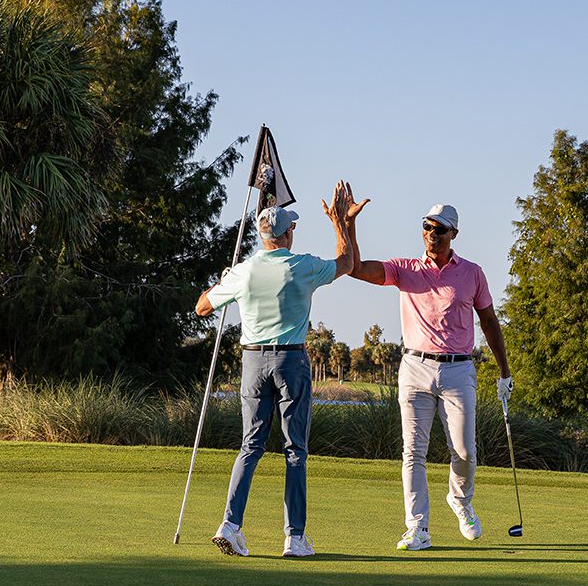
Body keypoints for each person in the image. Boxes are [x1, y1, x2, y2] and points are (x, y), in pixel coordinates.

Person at [343, 193, 511, 550]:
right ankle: (417, 527)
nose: (432, 234)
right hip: (415, 368)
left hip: (458, 369)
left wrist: (504, 372)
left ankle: (460, 501)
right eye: (427, 227)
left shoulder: (472, 273)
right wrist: (349, 224)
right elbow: (355, 268)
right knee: (412, 452)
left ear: (453, 234)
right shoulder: (404, 268)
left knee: (464, 452)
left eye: (440, 229)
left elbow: (489, 321)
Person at [196, 183, 355, 558]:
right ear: (287, 233)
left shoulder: (244, 271)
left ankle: (230, 525)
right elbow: (346, 262)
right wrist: (339, 222)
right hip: (291, 362)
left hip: (253, 362)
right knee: (295, 449)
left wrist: (224, 280)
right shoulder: (302, 266)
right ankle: (294, 538)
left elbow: (202, 307)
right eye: (292, 228)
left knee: (250, 445)